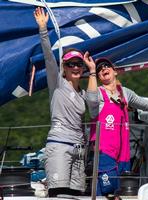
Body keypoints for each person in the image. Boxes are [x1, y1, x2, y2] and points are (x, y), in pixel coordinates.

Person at [87, 58, 148, 196]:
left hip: (123, 153)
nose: (103, 69)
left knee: (121, 192)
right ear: (98, 76)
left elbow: (144, 104)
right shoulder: (98, 93)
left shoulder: (125, 92)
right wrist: (91, 71)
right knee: (105, 191)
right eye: (99, 69)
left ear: (115, 72)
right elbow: (90, 100)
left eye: (107, 66)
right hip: (104, 151)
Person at [34, 7, 98, 197]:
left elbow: (94, 108)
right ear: (64, 67)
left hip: (79, 149)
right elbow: (48, 58)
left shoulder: (82, 93)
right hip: (59, 145)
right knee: (59, 194)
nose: (76, 67)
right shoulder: (58, 83)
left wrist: (92, 70)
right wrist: (43, 29)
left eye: (79, 64)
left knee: (76, 194)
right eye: (71, 64)